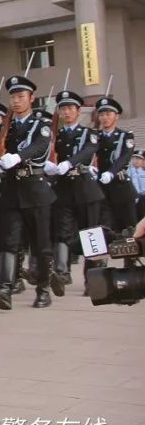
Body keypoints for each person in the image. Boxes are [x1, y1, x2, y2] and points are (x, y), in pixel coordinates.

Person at [0, 77, 56, 308]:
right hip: (11, 190)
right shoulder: (5, 127)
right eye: (13, 97)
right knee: (9, 242)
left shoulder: (41, 125)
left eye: (21, 97)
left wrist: (18, 157)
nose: (17, 101)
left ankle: (43, 289)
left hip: (34, 189)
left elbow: (39, 147)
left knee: (41, 243)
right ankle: (5, 288)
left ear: (31, 98)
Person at [47, 90, 104, 293]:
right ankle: (61, 273)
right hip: (63, 188)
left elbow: (88, 151)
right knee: (61, 232)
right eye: (63, 108)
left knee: (91, 233)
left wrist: (69, 163)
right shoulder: (56, 135)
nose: (67, 112)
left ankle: (94, 279)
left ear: (78, 111)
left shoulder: (89, 134)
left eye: (70, 108)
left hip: (85, 187)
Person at [93, 96, 136, 235]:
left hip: (120, 184)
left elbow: (125, 156)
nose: (104, 118)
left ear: (116, 116)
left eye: (108, 114)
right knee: (106, 224)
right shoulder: (96, 137)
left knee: (128, 227)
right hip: (102, 186)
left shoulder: (125, 136)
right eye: (101, 114)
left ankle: (130, 256)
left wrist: (111, 172)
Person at [130, 151, 145, 221]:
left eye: (139, 159)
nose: (136, 160)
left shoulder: (143, 172)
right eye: (135, 158)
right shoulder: (127, 171)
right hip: (131, 198)